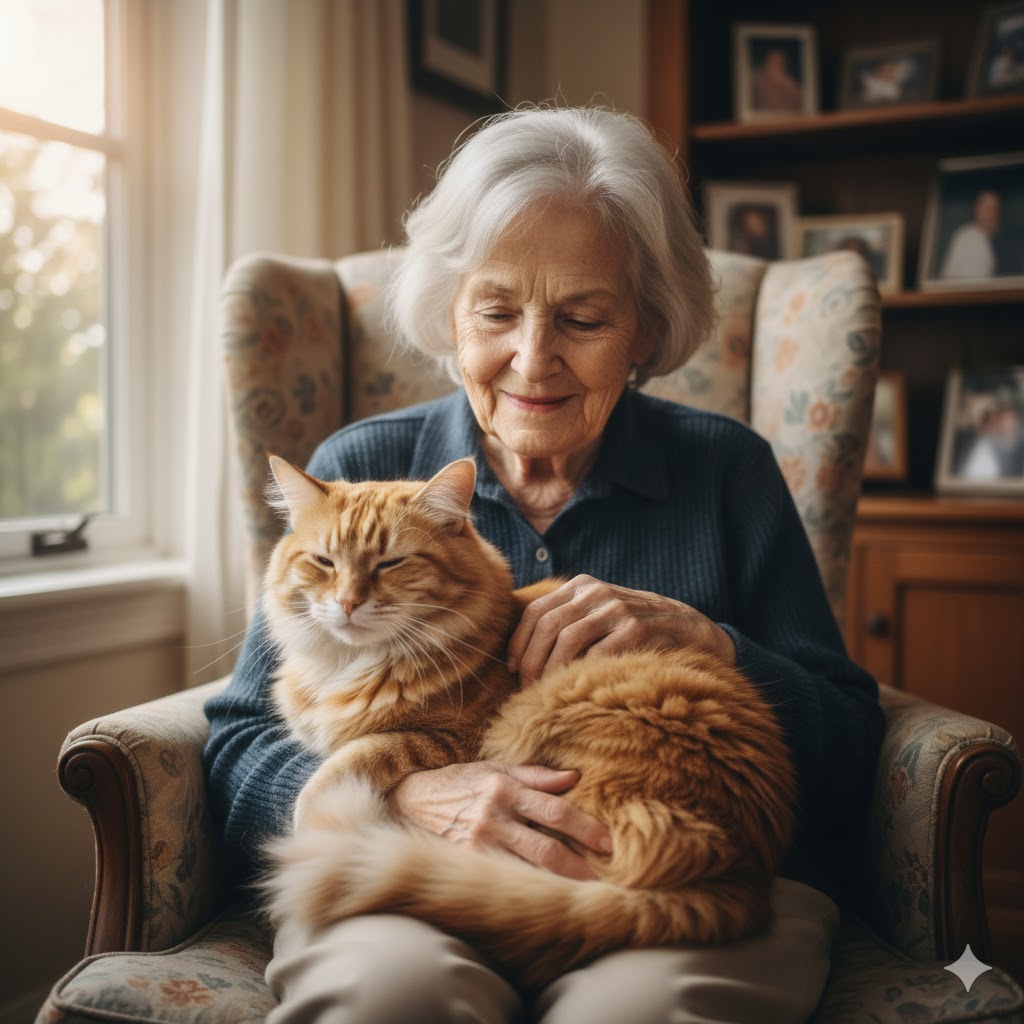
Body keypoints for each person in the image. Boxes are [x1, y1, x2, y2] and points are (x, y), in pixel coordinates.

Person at [203, 106, 883, 1024]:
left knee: (647, 1012)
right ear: (450, 314)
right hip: (418, 865)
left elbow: (850, 744)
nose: (533, 358)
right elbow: (240, 745)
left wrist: (719, 647)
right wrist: (401, 792)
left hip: (673, 876)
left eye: (583, 317)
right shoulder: (359, 473)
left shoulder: (728, 470)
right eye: (495, 310)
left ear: (645, 329)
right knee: (385, 997)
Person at [939, 189, 1002, 279]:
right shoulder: (968, 237)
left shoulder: (998, 239)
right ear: (977, 210)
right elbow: (974, 285)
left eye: (995, 209)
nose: (992, 214)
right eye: (988, 209)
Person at [751, 46, 804, 112]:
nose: (776, 63)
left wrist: (783, 81)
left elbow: (800, 99)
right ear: (767, 61)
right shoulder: (757, 78)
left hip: (786, 117)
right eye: (773, 60)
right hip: (763, 116)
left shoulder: (788, 81)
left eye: (780, 61)